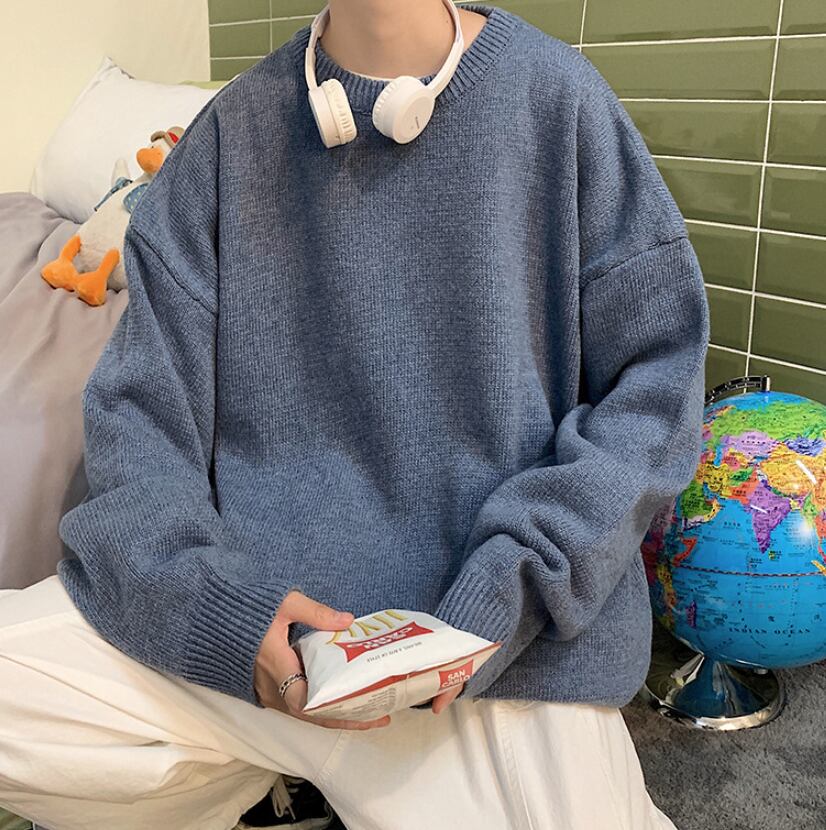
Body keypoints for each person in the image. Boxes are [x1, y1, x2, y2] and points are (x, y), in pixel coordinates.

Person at [0, 1, 710, 829]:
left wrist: (510, 587)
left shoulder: (561, 102)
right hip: (249, 643)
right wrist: (218, 613)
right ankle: (272, 780)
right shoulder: (226, 139)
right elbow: (138, 425)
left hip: (494, 654)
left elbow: (656, 388)